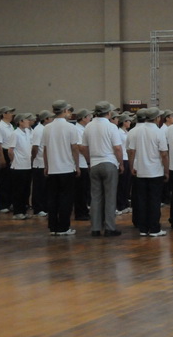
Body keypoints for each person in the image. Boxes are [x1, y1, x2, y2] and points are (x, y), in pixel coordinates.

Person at [81, 101, 124, 237]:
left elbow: (83, 147)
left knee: (95, 197)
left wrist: (89, 161)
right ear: (109, 113)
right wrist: (121, 163)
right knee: (110, 197)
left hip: (94, 163)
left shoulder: (89, 126)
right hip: (109, 162)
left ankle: (95, 228)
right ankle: (109, 227)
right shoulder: (111, 127)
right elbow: (117, 148)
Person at [127, 107, 169, 237]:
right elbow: (164, 154)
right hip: (155, 171)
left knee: (142, 200)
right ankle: (154, 228)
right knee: (154, 201)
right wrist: (166, 171)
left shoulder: (136, 131)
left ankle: (143, 228)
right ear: (157, 118)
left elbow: (131, 151)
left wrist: (131, 166)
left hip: (140, 171)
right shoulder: (158, 132)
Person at [42, 100, 79, 236]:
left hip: (53, 169)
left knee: (52, 198)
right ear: (64, 111)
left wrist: (46, 166)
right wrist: (77, 165)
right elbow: (74, 148)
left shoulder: (47, 128)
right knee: (66, 199)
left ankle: (53, 227)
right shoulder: (70, 127)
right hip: (67, 168)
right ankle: (64, 227)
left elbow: (45, 150)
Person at [8, 113, 34, 220]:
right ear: (20, 122)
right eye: (26, 120)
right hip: (18, 167)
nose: (28, 121)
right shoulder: (15, 134)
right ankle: (17, 212)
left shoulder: (27, 132)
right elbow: (10, 150)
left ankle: (23, 210)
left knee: (26, 190)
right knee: (18, 190)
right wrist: (14, 161)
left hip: (27, 165)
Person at [0, 106, 16, 213]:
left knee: (11, 180)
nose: (12, 115)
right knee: (4, 180)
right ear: (4, 114)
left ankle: (10, 202)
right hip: (4, 152)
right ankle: (2, 204)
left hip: (10, 152)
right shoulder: (0, 127)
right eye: (10, 112)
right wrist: (1, 158)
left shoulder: (10, 126)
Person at [116, 112, 133, 214]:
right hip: (123, 159)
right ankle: (121, 204)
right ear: (123, 122)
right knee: (122, 184)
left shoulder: (127, 132)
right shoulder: (119, 133)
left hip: (128, 158)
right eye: (128, 121)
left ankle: (125, 203)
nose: (130, 122)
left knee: (127, 183)